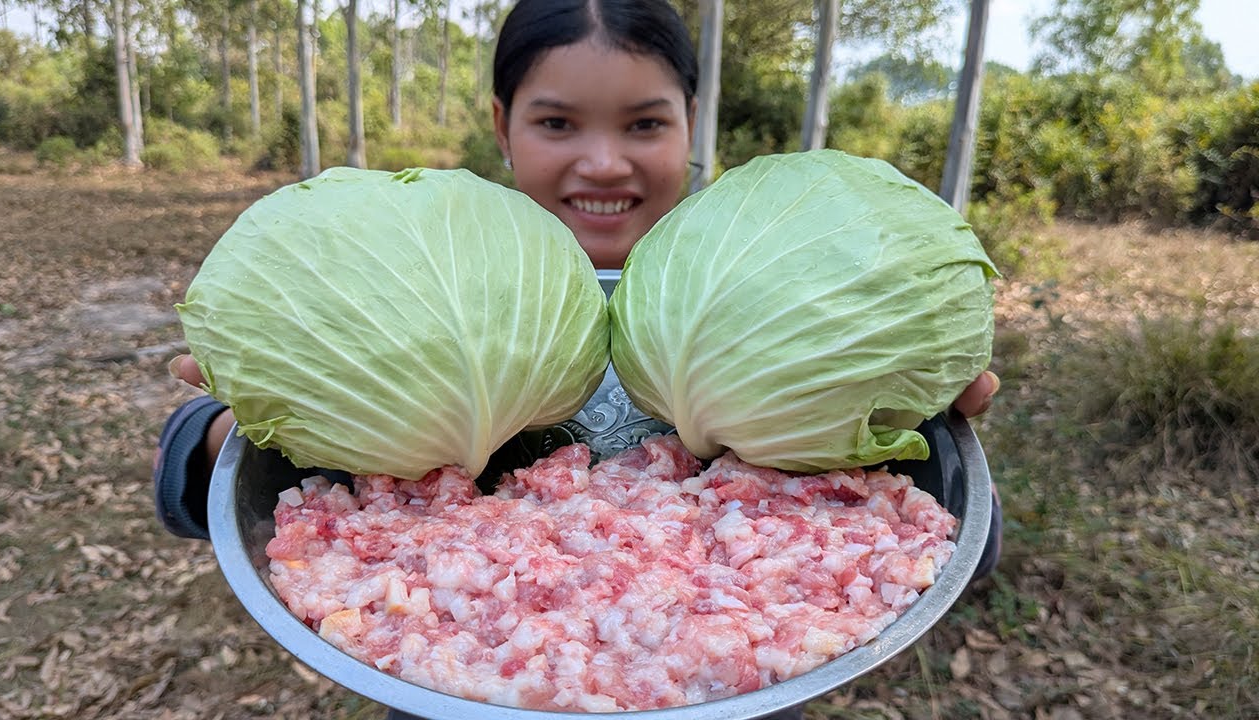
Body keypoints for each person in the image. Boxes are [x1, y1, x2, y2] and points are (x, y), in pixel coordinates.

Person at [154, 1, 1002, 717]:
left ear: (690, 122)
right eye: (557, 122)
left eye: (645, 123)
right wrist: (242, 428)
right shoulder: (434, 279)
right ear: (503, 125)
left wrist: (914, 418)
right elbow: (198, 486)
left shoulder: (767, 290)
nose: (603, 161)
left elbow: (942, 540)